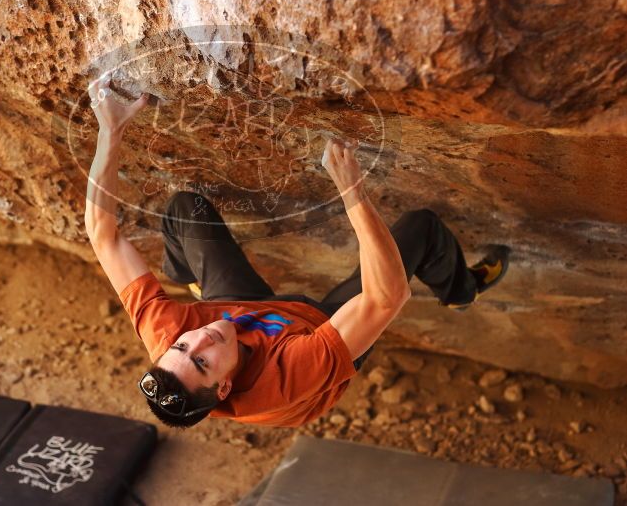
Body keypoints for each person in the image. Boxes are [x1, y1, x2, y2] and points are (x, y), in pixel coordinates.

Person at [83, 76, 510, 429]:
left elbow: (104, 236)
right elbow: (386, 299)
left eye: (180, 349)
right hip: (314, 329)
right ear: (225, 388)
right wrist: (352, 193)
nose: (199, 339)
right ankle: (461, 291)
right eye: (202, 362)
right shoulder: (288, 376)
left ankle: (195, 283)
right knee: (422, 230)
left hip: (243, 310)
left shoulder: (174, 333)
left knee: (184, 209)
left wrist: (111, 131)